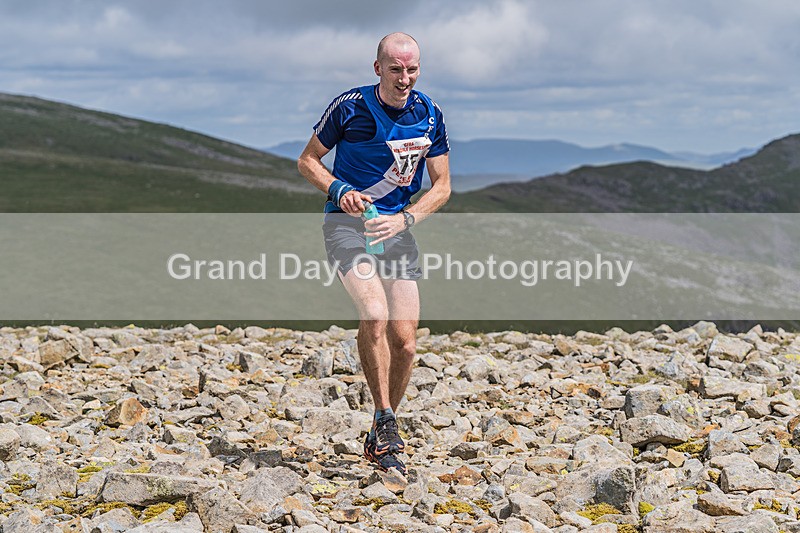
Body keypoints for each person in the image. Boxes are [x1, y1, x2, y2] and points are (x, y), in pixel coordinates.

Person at [297, 32, 451, 476]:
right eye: (396, 68)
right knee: (375, 313)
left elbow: (442, 186)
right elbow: (307, 160)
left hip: (397, 230)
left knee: (405, 343)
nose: (405, 77)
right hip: (347, 225)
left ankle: (380, 428)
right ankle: (385, 421)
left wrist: (407, 219)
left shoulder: (429, 114)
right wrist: (339, 188)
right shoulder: (348, 106)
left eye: (413, 68)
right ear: (378, 68)